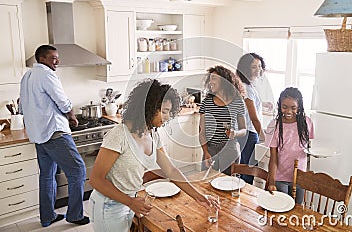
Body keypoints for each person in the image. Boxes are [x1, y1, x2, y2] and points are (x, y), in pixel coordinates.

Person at [89, 79, 219, 231]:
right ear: (148, 107)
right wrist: (130, 202)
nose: (167, 117)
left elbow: (171, 171)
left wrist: (200, 197)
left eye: (170, 112)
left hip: (129, 201)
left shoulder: (153, 135)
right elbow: (96, 180)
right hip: (108, 206)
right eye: (164, 111)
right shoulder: (119, 135)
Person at [19, 45, 89, 227]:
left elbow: (22, 106)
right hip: (54, 133)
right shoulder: (47, 74)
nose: (56, 61)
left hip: (38, 135)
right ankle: (74, 215)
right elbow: (63, 101)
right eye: (52, 58)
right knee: (78, 170)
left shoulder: (27, 76)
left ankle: (47, 216)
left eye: (57, 57)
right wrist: (72, 117)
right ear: (41, 59)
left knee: (47, 175)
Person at [267, 87, 314, 204]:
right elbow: (273, 157)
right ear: (279, 105)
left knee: (297, 210)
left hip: (300, 177)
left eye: (293, 108)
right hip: (280, 177)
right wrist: (271, 182)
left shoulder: (307, 122)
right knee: (282, 208)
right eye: (284, 107)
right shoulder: (274, 125)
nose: (288, 111)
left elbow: (308, 149)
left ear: (299, 107)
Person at [199, 65, 247, 176]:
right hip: (210, 149)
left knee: (229, 185)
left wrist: (235, 133)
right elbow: (202, 132)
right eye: (210, 78)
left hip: (230, 149)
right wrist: (206, 152)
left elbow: (244, 130)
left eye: (214, 78)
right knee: (206, 185)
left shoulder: (238, 102)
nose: (210, 82)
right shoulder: (207, 102)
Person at [236, 53, 267, 184]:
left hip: (246, 131)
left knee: (245, 167)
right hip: (249, 133)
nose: (258, 69)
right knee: (249, 170)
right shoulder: (247, 88)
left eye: (259, 66)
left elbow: (249, 107)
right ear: (245, 69)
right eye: (254, 67)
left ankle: (241, 194)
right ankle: (244, 197)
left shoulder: (248, 85)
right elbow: (254, 118)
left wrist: (263, 104)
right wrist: (264, 138)